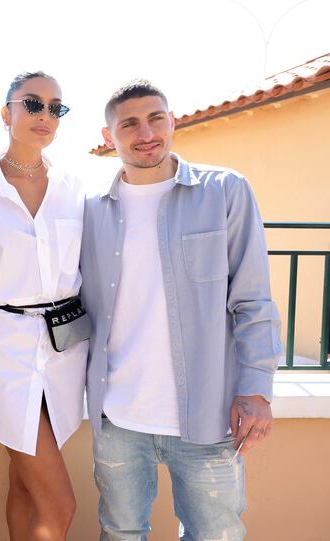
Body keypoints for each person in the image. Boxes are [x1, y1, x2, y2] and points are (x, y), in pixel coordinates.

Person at [79, 79, 282, 541]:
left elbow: (252, 298)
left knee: (215, 536)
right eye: (129, 123)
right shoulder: (91, 210)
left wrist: (256, 389)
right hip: (118, 417)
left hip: (209, 416)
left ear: (172, 122)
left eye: (156, 118)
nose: (145, 132)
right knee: (121, 533)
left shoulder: (225, 190)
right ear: (110, 136)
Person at [0, 71, 87, 541]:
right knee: (61, 504)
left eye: (55, 107)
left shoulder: (74, 189)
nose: (44, 115)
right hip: (8, 354)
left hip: (67, 352)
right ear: (5, 112)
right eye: (32, 103)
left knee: (25, 486)